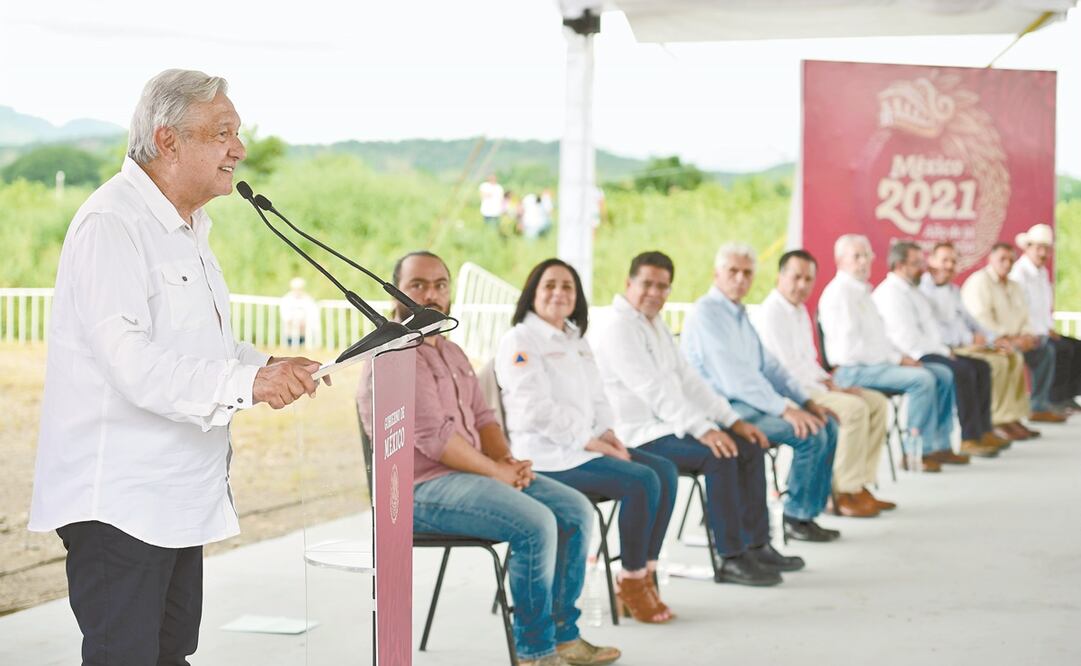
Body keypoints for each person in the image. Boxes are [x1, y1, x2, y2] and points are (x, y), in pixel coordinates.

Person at [27, 69, 326, 665]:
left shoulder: (189, 227)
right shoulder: (112, 223)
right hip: (120, 502)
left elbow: (201, 349)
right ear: (168, 141)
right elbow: (131, 363)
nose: (238, 149)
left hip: (176, 498)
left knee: (169, 655)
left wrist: (267, 365)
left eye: (235, 133)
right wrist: (247, 382)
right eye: (222, 133)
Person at [357, 252, 616, 666]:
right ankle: (536, 652)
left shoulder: (452, 350)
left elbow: (483, 417)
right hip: (416, 494)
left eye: (441, 284)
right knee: (536, 523)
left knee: (576, 511)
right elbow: (437, 440)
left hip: (472, 476)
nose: (432, 294)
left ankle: (565, 635)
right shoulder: (393, 354)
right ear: (394, 292)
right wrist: (497, 471)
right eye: (418, 285)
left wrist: (508, 462)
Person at [593, 251, 804, 587]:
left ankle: (757, 543)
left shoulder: (654, 324)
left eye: (663, 287)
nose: (654, 293)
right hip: (637, 434)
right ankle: (730, 557)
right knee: (719, 455)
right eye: (647, 284)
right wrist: (705, 430)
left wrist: (732, 422)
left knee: (747, 444)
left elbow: (690, 380)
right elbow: (655, 390)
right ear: (628, 283)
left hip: (669, 425)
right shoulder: (619, 328)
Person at [496, 258, 678, 625]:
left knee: (664, 470)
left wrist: (607, 431)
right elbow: (535, 409)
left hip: (583, 448)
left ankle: (646, 572)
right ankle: (631, 580)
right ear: (533, 292)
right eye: (549, 285)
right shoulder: (520, 340)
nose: (559, 293)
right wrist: (590, 441)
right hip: (546, 456)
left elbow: (598, 396)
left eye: (567, 286)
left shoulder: (575, 338)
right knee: (641, 481)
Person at [681, 242, 840, 542]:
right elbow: (735, 379)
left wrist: (806, 401)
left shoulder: (739, 314)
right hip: (724, 408)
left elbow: (770, 366)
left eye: (747, 273)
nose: (740, 279)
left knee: (826, 423)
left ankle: (807, 512)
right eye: (733, 271)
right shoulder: (707, 314)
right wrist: (785, 409)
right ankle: (796, 517)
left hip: (751, 403)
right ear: (717, 273)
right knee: (810, 434)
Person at [753, 250, 895, 518]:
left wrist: (830, 382)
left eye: (808, 279)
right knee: (854, 409)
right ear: (779, 277)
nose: (802, 285)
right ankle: (842, 491)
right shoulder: (771, 312)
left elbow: (807, 361)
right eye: (796, 277)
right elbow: (785, 372)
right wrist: (827, 388)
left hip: (811, 385)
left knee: (876, 402)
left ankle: (861, 484)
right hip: (790, 393)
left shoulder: (798, 311)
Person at [818, 234, 959, 472]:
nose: (864, 262)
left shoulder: (862, 292)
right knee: (923, 379)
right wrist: (896, 359)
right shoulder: (839, 294)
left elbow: (882, 340)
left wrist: (902, 358)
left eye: (867, 256)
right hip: (853, 371)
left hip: (875, 365)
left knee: (942, 373)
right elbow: (850, 351)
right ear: (840, 260)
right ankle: (915, 452)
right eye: (857, 257)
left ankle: (939, 445)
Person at [873, 241, 1006, 458]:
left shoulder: (913, 290)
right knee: (959, 371)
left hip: (929, 348)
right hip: (910, 355)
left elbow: (932, 330)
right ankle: (960, 439)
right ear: (899, 265)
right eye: (916, 263)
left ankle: (953, 440)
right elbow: (907, 340)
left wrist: (944, 350)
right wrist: (944, 351)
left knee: (980, 366)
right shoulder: (890, 294)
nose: (922, 268)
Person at [920, 242, 1039, 441]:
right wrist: (973, 339)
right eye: (944, 260)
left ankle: (997, 424)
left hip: (969, 343)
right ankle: (990, 423)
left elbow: (972, 321)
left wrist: (995, 339)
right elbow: (935, 330)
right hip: (945, 348)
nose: (949, 265)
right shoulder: (923, 291)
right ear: (931, 260)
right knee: (988, 366)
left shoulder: (953, 290)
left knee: (1008, 357)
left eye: (953, 261)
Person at [961, 243, 1064, 423]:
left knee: (1045, 351)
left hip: (1016, 339)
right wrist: (1006, 338)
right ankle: (1002, 418)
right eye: (1002, 259)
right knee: (1010, 357)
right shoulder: (979, 282)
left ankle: (1035, 407)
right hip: (992, 341)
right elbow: (981, 320)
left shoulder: (1014, 285)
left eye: (1010, 260)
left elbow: (1025, 316)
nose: (1007, 264)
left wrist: (1026, 336)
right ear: (990, 259)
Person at [1009, 223, 1081, 411]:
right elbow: (1020, 310)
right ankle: (1048, 399)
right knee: (1055, 350)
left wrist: (1049, 329)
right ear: (1028, 247)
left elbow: (1043, 308)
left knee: (1075, 346)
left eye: (1046, 249)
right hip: (1028, 331)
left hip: (1043, 329)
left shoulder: (1042, 273)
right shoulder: (1019, 274)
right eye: (1039, 248)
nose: (1042, 253)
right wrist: (1037, 333)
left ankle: (1066, 395)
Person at [280, 276, 318, 347]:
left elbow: (313, 315)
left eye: (299, 289)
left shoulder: (308, 299)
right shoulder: (286, 299)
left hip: (306, 334)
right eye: (296, 289)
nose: (298, 291)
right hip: (290, 334)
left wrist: (305, 323)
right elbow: (285, 316)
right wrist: (295, 324)